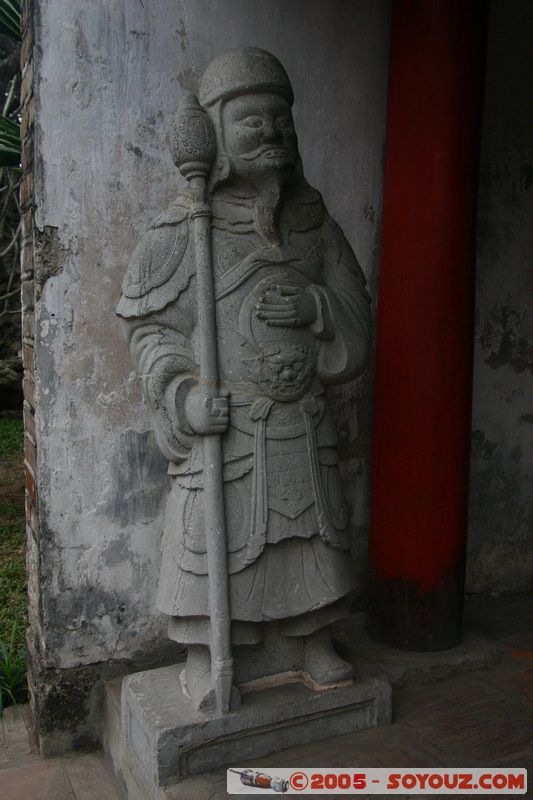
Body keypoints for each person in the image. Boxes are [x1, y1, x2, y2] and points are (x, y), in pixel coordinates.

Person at [117, 48, 371, 711]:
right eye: (252, 119)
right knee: (214, 542)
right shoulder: (181, 231)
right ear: (220, 132)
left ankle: (311, 640)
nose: (271, 133)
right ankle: (209, 651)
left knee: (311, 536)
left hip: (298, 419)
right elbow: (153, 332)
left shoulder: (314, 224)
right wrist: (181, 394)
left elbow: (353, 308)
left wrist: (316, 308)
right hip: (227, 427)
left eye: (281, 119)